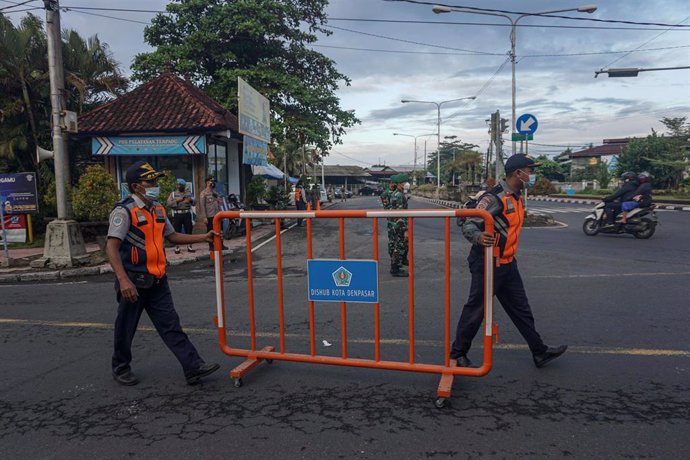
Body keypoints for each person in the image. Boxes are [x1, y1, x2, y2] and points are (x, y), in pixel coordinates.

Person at [106, 161, 220, 386]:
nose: (155, 185)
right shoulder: (124, 211)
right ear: (136, 186)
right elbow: (111, 247)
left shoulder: (157, 208)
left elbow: (173, 236)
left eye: (155, 181)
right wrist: (123, 280)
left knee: (171, 325)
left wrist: (203, 237)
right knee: (125, 328)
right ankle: (120, 367)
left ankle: (193, 366)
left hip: (157, 280)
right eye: (150, 181)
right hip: (133, 282)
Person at [452, 154, 567, 369]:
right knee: (476, 309)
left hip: (507, 263)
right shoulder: (495, 197)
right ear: (518, 173)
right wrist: (477, 237)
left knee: (521, 309)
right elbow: (469, 223)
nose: (531, 175)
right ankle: (458, 354)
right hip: (487, 263)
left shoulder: (515, 197)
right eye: (529, 171)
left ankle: (539, 352)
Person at [384, 174, 409, 277]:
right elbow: (400, 215)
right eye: (404, 182)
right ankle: (395, 269)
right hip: (398, 226)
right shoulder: (398, 195)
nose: (407, 184)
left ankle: (398, 264)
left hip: (394, 225)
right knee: (398, 246)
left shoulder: (397, 194)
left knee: (397, 245)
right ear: (400, 184)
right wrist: (405, 229)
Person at [166, 178, 195, 254]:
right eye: (178, 185)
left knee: (188, 230)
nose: (179, 186)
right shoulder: (173, 194)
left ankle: (189, 246)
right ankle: (177, 247)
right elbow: (168, 204)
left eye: (180, 185)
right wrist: (177, 200)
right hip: (177, 214)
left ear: (184, 186)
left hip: (187, 214)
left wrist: (191, 200)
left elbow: (195, 203)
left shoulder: (188, 193)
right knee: (176, 231)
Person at [200, 177, 225, 251]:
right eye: (211, 182)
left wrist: (218, 198)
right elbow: (202, 206)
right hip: (209, 216)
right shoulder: (203, 193)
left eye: (213, 182)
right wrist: (204, 217)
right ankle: (211, 245)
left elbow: (221, 203)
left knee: (220, 230)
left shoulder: (215, 193)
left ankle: (221, 244)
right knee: (210, 231)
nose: (213, 183)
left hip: (217, 215)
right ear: (207, 183)